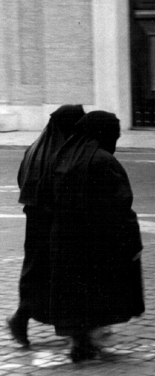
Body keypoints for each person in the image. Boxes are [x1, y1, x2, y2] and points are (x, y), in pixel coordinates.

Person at [43, 111, 144, 362]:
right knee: (99, 291)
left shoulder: (61, 156)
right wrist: (132, 242)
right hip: (99, 242)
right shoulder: (103, 161)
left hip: (64, 240)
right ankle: (90, 340)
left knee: (76, 294)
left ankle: (81, 340)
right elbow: (120, 206)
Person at [6, 105, 86, 347]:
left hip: (36, 223)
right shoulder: (63, 153)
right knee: (62, 275)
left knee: (37, 274)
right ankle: (76, 332)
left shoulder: (35, 149)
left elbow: (23, 181)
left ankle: (23, 319)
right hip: (56, 224)